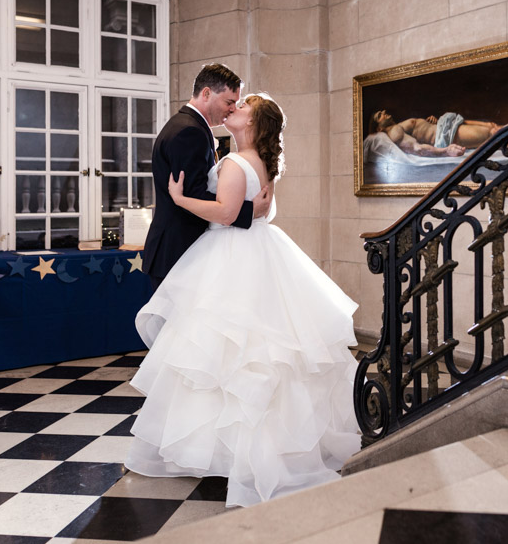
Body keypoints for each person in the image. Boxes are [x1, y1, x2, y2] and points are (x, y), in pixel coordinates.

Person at [126, 94, 361, 508]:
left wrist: (180, 200)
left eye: (244, 105)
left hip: (232, 257)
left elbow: (225, 212)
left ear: (254, 122)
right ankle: (252, 446)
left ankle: (229, 451)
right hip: (259, 253)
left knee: (229, 354)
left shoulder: (236, 162)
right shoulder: (257, 160)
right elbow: (252, 210)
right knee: (256, 354)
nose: (235, 107)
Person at [142, 64, 270, 291]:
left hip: (180, 249)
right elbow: (193, 196)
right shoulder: (189, 132)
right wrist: (249, 211)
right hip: (177, 250)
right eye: (229, 102)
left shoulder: (189, 126)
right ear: (207, 93)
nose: (231, 110)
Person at [368, 109, 500, 158]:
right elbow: (417, 149)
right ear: (379, 128)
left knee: (493, 126)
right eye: (380, 115)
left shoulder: (398, 126)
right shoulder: (394, 132)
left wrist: (430, 122)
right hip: (447, 134)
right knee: (492, 133)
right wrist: (445, 151)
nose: (384, 111)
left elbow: (421, 131)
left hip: (447, 125)